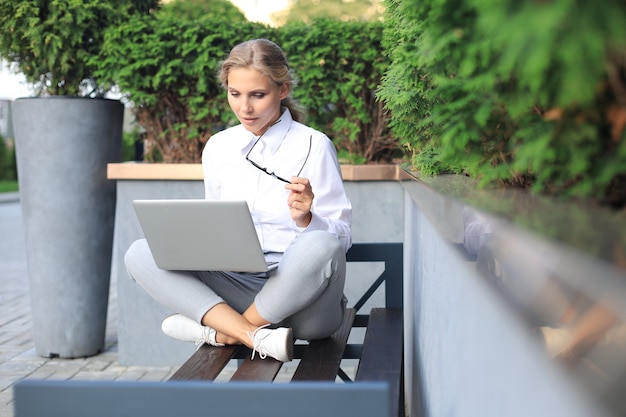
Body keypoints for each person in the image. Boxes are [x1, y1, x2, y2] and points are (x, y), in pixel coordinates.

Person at [124, 38, 352, 362]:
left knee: (321, 244)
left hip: (305, 307)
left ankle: (220, 332)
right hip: (237, 287)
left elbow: (342, 237)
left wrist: (307, 219)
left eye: (258, 95)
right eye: (235, 94)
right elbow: (214, 225)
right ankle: (251, 335)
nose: (245, 108)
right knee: (140, 253)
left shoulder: (315, 145)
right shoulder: (218, 147)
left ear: (283, 89)